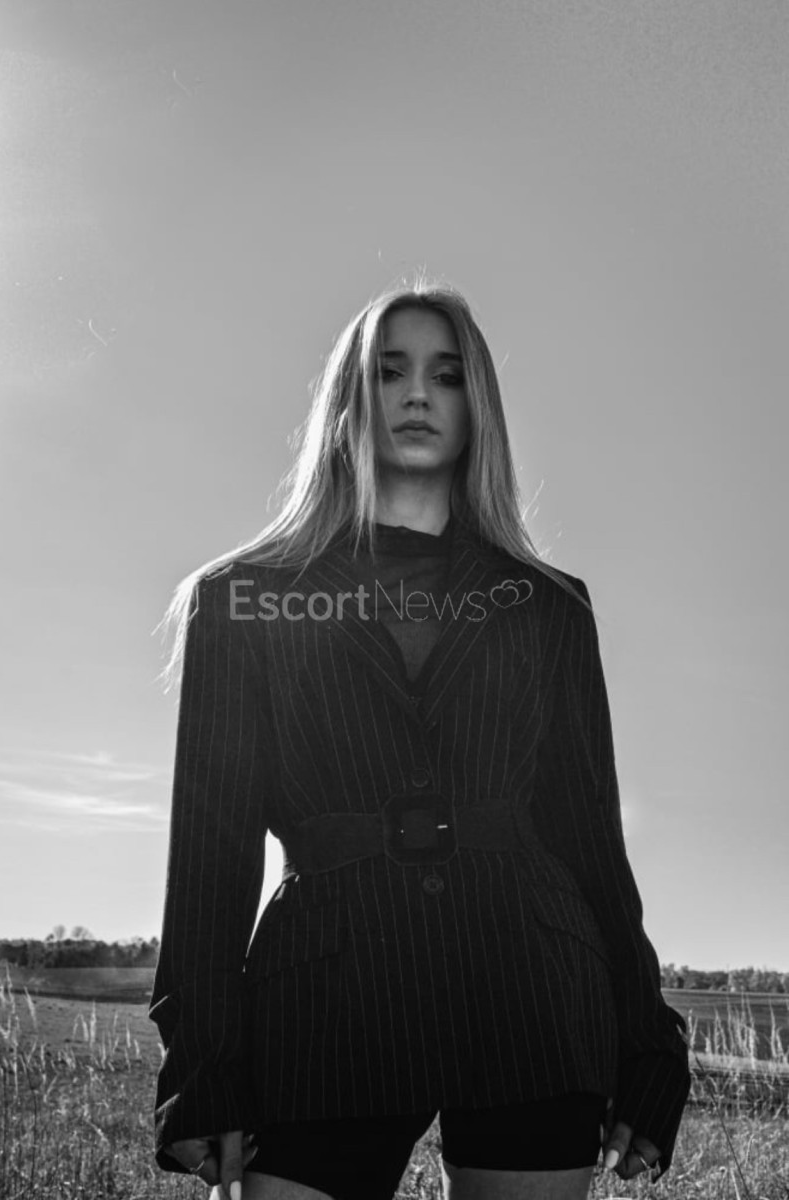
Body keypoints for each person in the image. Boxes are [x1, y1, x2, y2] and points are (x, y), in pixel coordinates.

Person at [149, 278, 691, 1200]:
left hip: (531, 989)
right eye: (389, 371)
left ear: (477, 407)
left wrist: (647, 1042)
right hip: (323, 999)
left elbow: (590, 838)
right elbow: (211, 851)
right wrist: (200, 1064)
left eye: (445, 376)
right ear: (347, 401)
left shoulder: (549, 606)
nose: (415, 395)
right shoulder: (244, 598)